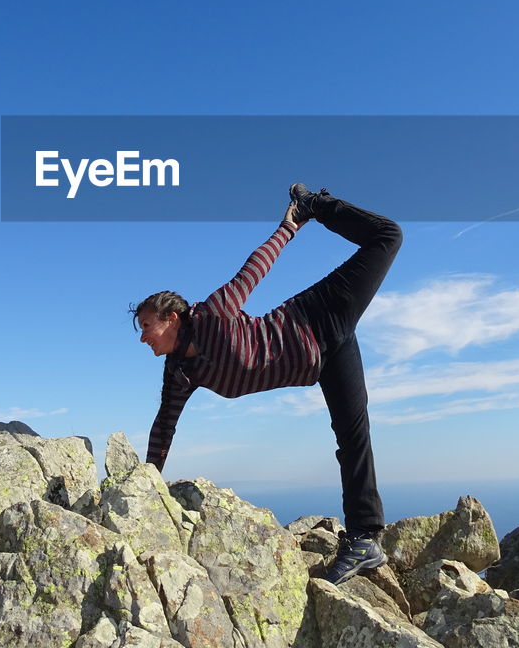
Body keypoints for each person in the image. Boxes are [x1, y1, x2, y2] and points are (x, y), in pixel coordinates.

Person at [130, 183, 403, 585]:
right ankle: (365, 540)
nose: (143, 337)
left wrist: (291, 224)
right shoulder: (179, 373)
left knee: (388, 236)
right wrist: (146, 483)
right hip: (323, 358)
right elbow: (164, 426)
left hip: (318, 315)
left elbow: (256, 267)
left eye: (147, 327)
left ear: (172, 318)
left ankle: (317, 203)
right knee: (351, 433)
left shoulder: (213, 315)